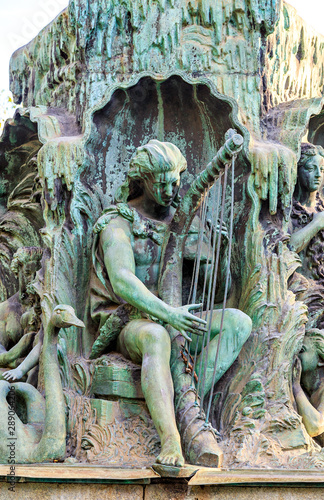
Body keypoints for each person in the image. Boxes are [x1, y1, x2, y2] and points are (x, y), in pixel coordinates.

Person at [89, 140, 252, 466]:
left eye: (175, 182)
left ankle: (185, 406)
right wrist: (168, 314)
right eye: (160, 183)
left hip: (177, 316)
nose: (169, 190)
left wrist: (213, 257)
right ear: (142, 180)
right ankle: (171, 440)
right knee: (156, 336)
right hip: (128, 320)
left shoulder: (186, 220)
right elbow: (122, 280)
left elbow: (216, 291)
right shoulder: (118, 221)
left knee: (238, 323)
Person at [289, 143, 324, 332]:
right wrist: (316, 225)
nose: (317, 174)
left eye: (321, 169)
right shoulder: (288, 211)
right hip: (300, 291)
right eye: (310, 168)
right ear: (298, 172)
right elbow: (289, 248)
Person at [0, 247, 42, 372]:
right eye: (28, 274)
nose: (33, 279)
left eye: (37, 274)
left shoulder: (46, 304)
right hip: (11, 368)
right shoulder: (5, 309)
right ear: (17, 272)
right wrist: (15, 354)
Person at [293, 329, 324, 446]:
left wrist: (296, 387)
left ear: (320, 360)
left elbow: (315, 426)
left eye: (301, 350)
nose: (296, 355)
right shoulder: (310, 392)